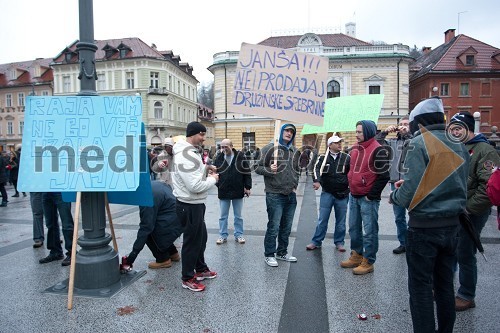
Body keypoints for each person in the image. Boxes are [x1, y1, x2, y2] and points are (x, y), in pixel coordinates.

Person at [390, 97, 469, 333]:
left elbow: (409, 191)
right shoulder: (458, 143)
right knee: (445, 285)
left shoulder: (418, 143)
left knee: (421, 287)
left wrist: (396, 196)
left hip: (424, 227)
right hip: (452, 226)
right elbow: (458, 182)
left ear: (419, 123)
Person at [447, 111, 500, 312]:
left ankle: (467, 295)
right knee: (450, 249)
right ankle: (445, 287)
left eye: (458, 128)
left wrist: (468, 210)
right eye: (452, 128)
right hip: (455, 209)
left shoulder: (484, 150)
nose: (454, 131)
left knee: (465, 251)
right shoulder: (453, 147)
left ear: (469, 129)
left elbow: (488, 188)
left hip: (471, 211)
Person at [172, 121, 219, 292]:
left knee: (201, 238)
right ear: (193, 134)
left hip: (195, 204)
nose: (204, 138)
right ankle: (187, 277)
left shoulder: (191, 152)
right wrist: (213, 179)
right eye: (202, 134)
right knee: (192, 242)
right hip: (188, 205)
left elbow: (193, 174)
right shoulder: (185, 154)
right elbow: (194, 186)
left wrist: (206, 168)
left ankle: (200, 269)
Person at [340, 120, 389, 275]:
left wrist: (371, 195)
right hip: (354, 195)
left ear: (367, 132)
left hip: (368, 198)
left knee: (370, 231)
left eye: (359, 132)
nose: (356, 134)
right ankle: (357, 254)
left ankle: (368, 261)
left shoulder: (378, 149)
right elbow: (349, 168)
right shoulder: (355, 148)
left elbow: (384, 176)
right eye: (356, 131)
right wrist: (349, 181)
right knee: (354, 228)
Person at [255, 123, 300, 267]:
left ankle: (282, 252)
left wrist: (295, 185)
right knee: (274, 226)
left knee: (286, 227)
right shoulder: (270, 148)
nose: (289, 133)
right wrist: (269, 169)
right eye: (286, 130)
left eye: (291, 132)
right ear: (280, 132)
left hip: (290, 194)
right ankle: (269, 254)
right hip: (274, 194)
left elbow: (297, 169)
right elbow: (256, 167)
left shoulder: (294, 150)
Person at [122, 181, 183, 270]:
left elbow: (146, 227)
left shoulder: (146, 198)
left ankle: (163, 259)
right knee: (157, 223)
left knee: (148, 233)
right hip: (179, 220)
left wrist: (133, 254)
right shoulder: (152, 185)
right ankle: (173, 253)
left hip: (171, 224)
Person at [306, 135, 350, 252]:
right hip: (327, 193)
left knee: (341, 221)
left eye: (340, 142)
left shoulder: (346, 157)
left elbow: (351, 173)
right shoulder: (322, 158)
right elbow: (316, 169)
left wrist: (350, 185)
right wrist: (317, 181)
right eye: (336, 143)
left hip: (342, 194)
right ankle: (316, 241)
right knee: (322, 219)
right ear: (330, 145)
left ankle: (339, 242)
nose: (339, 144)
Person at [375, 115, 412, 254]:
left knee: (413, 215)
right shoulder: (392, 142)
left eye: (406, 124)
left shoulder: (414, 139)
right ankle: (403, 243)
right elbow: (377, 142)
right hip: (394, 183)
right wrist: (384, 132)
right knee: (399, 216)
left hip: (410, 182)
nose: (403, 126)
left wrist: (408, 133)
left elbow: (415, 141)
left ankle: (413, 243)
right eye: (401, 123)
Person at [213, 139, 252, 245]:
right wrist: (219, 184)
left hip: (237, 189)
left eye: (226, 146)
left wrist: (247, 187)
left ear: (231, 146)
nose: (224, 149)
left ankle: (239, 234)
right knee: (223, 216)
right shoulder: (219, 158)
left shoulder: (240, 156)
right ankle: (222, 235)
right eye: (222, 147)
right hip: (224, 190)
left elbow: (247, 172)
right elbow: (214, 173)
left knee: (238, 216)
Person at [39, 192, 74, 266]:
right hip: (46, 190)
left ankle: (72, 253)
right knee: (50, 223)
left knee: (66, 223)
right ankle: (55, 252)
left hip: (61, 190)